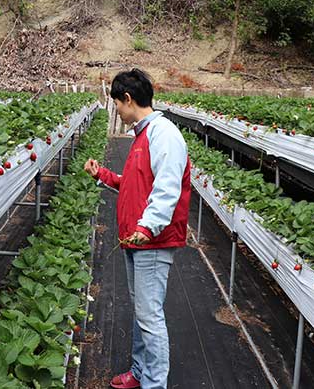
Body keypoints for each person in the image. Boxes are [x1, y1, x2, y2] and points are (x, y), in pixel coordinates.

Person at [84, 69, 191, 389]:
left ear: (128, 99)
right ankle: (140, 372)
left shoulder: (164, 135)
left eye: (116, 103)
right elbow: (135, 186)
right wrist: (102, 174)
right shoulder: (144, 136)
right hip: (137, 239)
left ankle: (154, 384)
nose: (116, 109)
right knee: (143, 313)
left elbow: (167, 189)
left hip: (152, 242)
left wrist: (148, 227)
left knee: (150, 316)